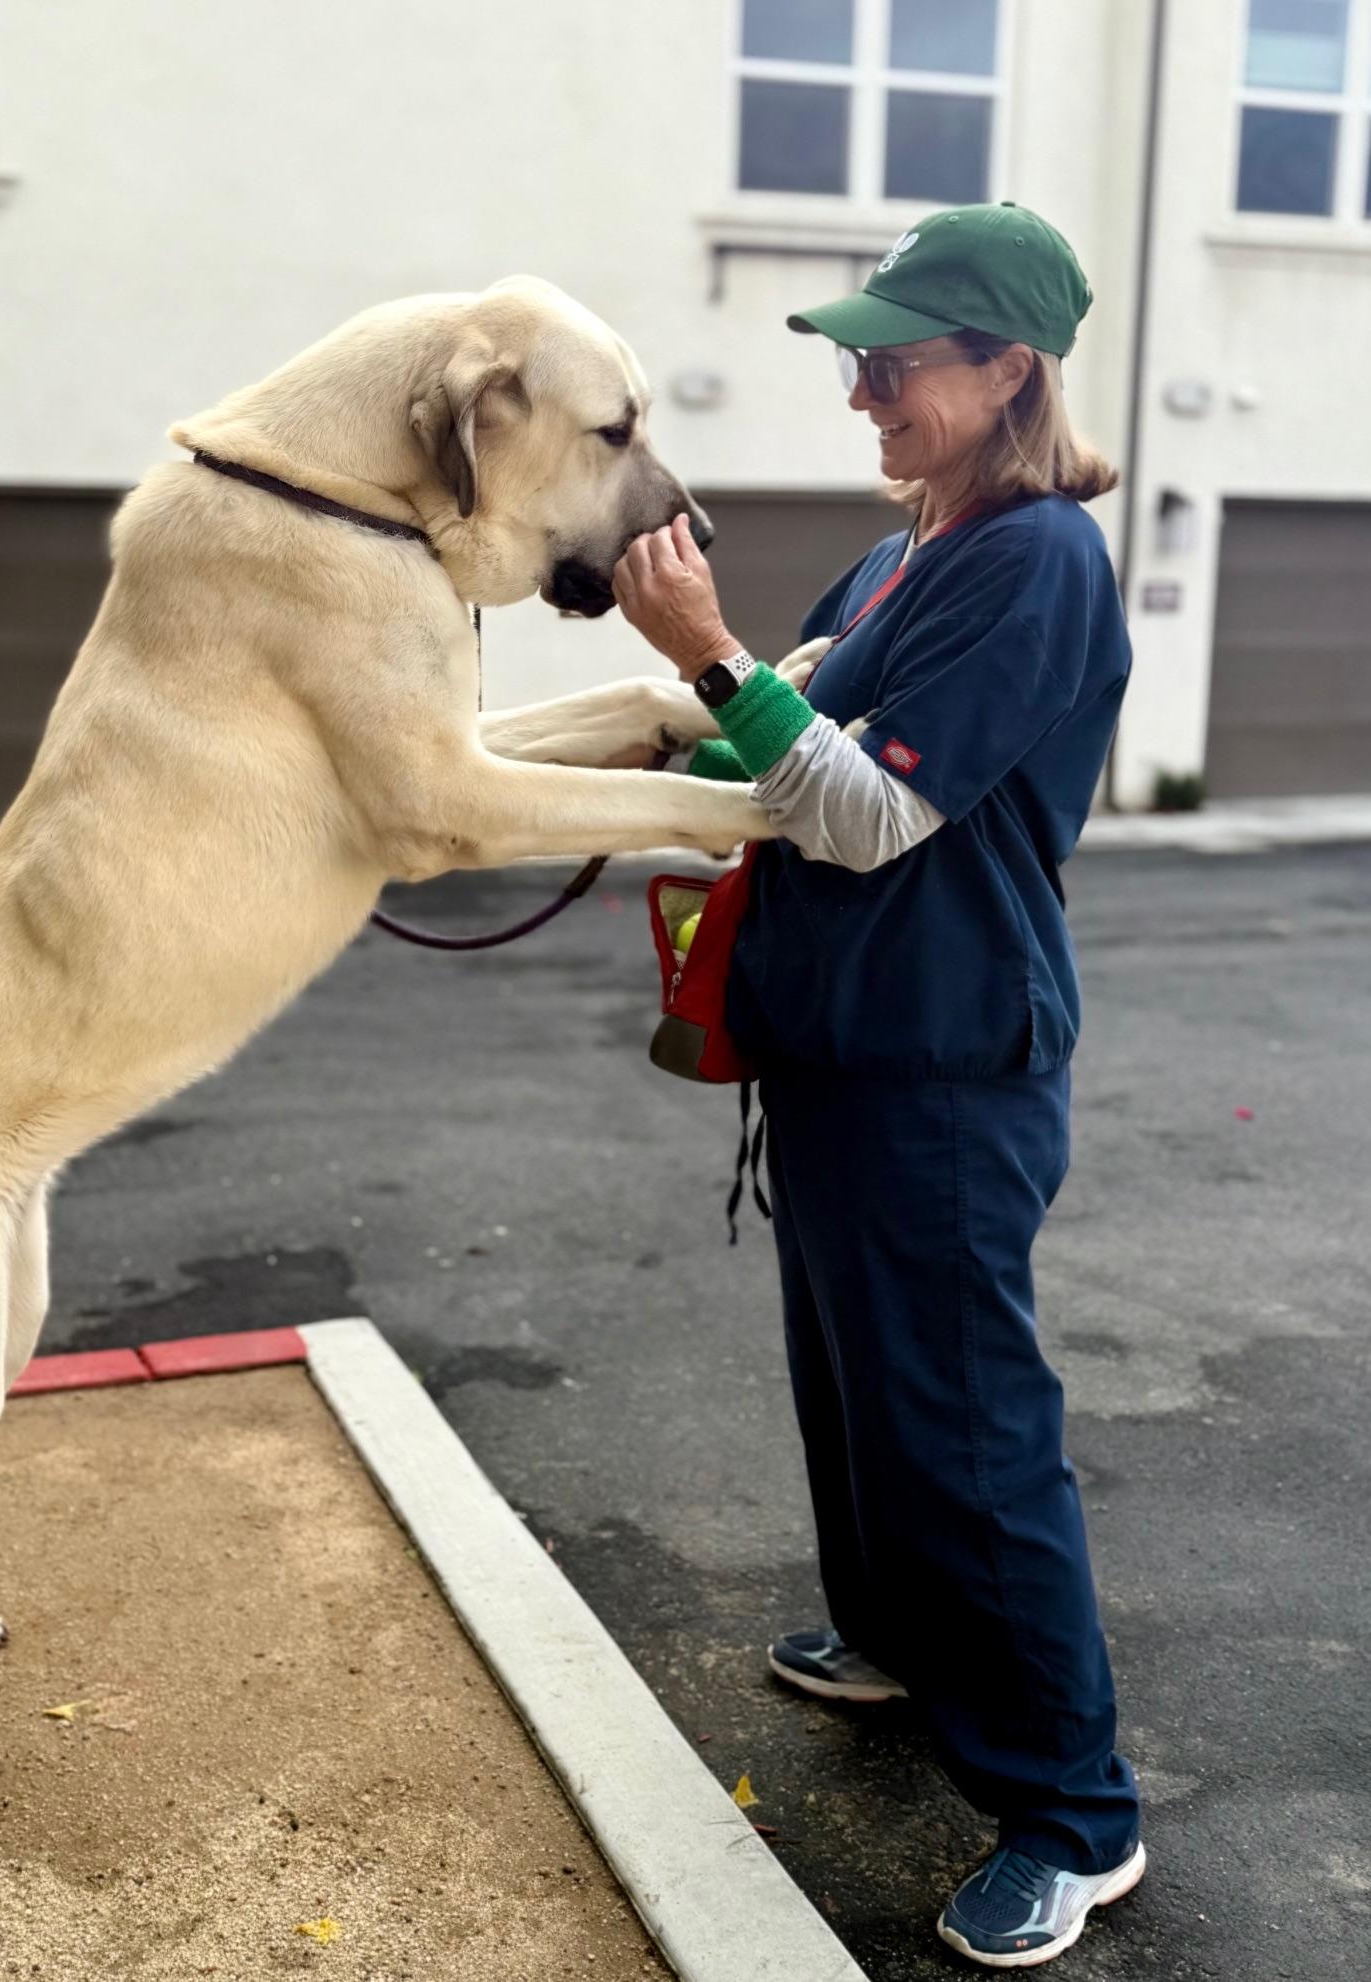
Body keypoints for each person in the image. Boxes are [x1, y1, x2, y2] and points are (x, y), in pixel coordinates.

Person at [611, 202, 1143, 1969]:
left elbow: (860, 809)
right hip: (843, 1054)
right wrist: (679, 698)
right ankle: (899, 1634)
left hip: (942, 1070)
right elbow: (787, 731)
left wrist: (705, 654)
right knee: (853, 1394)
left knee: (969, 1438)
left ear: (1007, 373)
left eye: (894, 362)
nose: (860, 393)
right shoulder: (909, 548)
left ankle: (1074, 1809)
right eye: (854, 358)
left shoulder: (1034, 562)